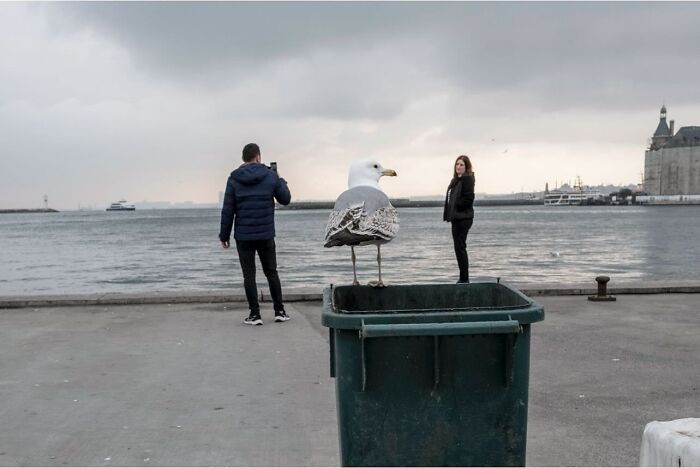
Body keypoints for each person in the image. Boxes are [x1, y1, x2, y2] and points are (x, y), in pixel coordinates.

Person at [219, 143, 292, 325]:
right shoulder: (270, 175)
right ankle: (279, 311)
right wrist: (280, 178)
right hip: (266, 234)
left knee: (249, 276)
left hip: (244, 236)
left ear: (243, 158)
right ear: (258, 156)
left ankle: (255, 315)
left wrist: (224, 235)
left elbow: (228, 210)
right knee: (271, 272)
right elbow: (285, 199)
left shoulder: (234, 179)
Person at [443, 155, 475, 283]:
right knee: (458, 248)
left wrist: (456, 205)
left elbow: (469, 199)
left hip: (463, 218)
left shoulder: (467, 179)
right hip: (456, 218)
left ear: (466, 167)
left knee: (460, 247)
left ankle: (464, 279)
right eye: (457, 164)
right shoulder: (455, 180)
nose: (458, 167)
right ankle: (463, 278)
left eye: (461, 165)